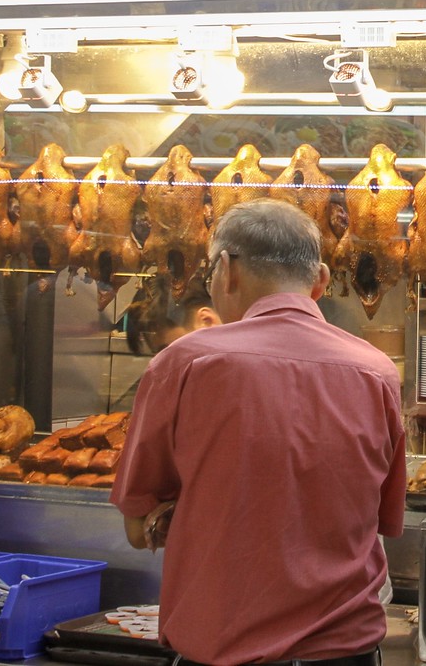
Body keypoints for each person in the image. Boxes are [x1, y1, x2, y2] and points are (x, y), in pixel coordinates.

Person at [112, 200, 405, 666]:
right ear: (322, 281)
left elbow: (137, 525)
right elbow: (381, 518)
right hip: (347, 652)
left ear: (225, 269)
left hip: (225, 649)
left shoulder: (185, 363)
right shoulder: (378, 373)